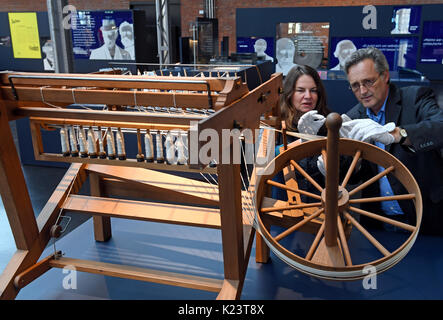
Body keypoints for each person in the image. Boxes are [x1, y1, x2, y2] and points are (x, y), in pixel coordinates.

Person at [341, 47, 443, 236]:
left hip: (427, 217)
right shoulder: (354, 117)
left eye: (368, 81)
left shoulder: (416, 97)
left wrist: (399, 134)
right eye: (355, 85)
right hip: (380, 223)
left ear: (385, 76)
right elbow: (353, 174)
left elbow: (440, 127)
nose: (363, 91)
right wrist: (332, 160)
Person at [272, 65, 332, 200]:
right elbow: (264, 160)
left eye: (313, 91)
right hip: (284, 209)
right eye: (300, 90)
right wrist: (302, 143)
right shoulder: (275, 121)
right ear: (289, 93)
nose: (308, 96)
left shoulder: (328, 123)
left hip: (320, 207)